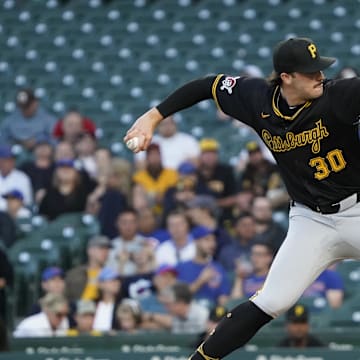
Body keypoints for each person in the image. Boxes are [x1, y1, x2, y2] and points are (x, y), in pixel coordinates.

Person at [123, 36, 358, 359]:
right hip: (311, 220)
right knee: (272, 301)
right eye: (310, 71)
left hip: (356, 209)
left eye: (320, 70)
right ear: (286, 77)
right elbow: (207, 86)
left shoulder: (339, 95)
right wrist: (154, 116)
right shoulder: (256, 98)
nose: (320, 76)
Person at [176, 226, 231, 306]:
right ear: (196, 241)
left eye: (214, 240)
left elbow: (223, 298)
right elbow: (178, 299)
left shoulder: (218, 268)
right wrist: (200, 281)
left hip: (213, 314)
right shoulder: (181, 267)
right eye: (207, 239)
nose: (212, 244)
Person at [134, 115, 200, 170]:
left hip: (181, 178)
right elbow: (140, 163)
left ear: (175, 124)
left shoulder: (188, 140)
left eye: (169, 123)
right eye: (163, 124)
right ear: (157, 126)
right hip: (156, 179)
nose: (167, 127)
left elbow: (196, 162)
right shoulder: (149, 141)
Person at [65, 235, 112, 303]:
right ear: (90, 251)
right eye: (101, 248)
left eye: (107, 249)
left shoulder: (111, 273)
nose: (106, 252)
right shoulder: (75, 274)